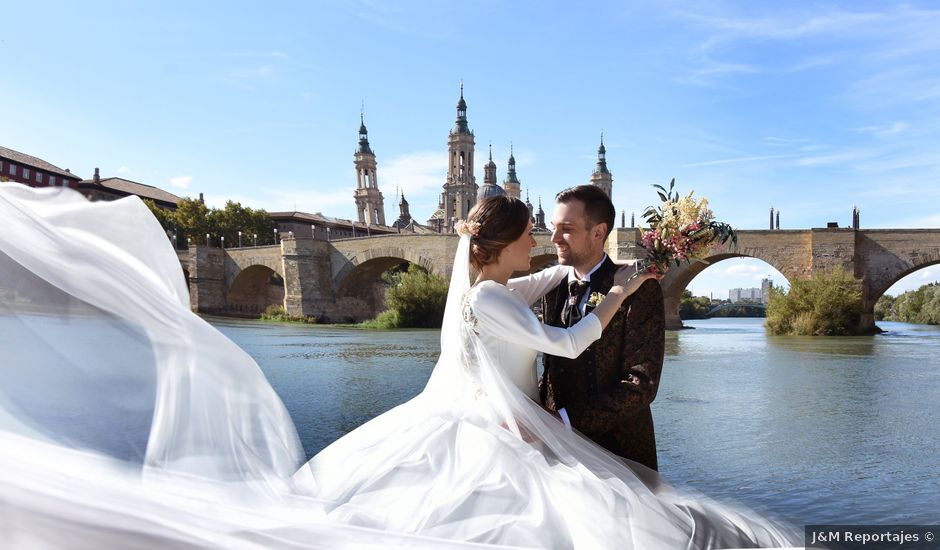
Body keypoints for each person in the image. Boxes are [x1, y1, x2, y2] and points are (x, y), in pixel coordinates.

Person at [0, 184, 799, 548]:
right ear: (509, 242)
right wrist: (615, 302)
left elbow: (559, 285)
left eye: (561, 232)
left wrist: (643, 268)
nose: (549, 245)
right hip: (526, 435)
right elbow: (562, 342)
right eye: (539, 234)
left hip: (575, 438)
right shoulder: (488, 300)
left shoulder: (509, 281)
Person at [541, 185, 665, 470]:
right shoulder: (551, 287)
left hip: (619, 455)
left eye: (566, 229)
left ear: (598, 232)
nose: (554, 238)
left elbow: (641, 384)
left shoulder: (638, 288)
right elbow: (551, 369)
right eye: (553, 227)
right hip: (556, 453)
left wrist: (566, 421)